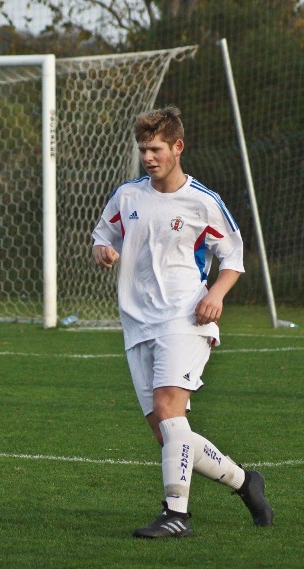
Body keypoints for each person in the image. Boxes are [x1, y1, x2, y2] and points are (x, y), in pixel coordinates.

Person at [90, 106, 274, 538]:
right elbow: (103, 235)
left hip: (185, 317)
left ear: (177, 147)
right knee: (170, 434)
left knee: (170, 411)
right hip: (137, 323)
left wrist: (216, 293)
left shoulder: (203, 202)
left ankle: (176, 515)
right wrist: (103, 250)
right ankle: (245, 482)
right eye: (142, 150)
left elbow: (233, 258)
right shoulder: (128, 196)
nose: (148, 157)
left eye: (155, 149)